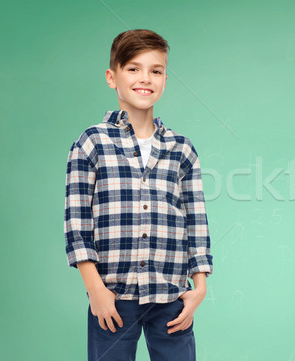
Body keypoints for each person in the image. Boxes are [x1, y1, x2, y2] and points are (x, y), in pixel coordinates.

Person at [64, 29, 213, 361]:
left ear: (164, 79)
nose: (145, 78)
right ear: (111, 76)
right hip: (112, 297)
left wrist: (199, 287)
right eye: (133, 68)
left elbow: (196, 221)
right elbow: (77, 225)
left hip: (172, 296)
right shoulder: (91, 144)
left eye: (156, 70)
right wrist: (95, 291)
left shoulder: (181, 149)